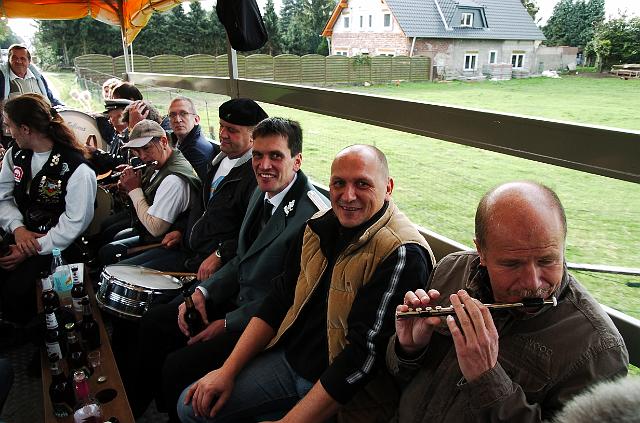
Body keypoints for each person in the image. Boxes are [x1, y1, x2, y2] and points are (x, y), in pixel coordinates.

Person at [178, 145, 436, 423]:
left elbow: (364, 355)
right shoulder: (317, 226)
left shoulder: (402, 252)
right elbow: (279, 300)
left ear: (388, 188)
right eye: (339, 183)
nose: (348, 196)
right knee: (190, 406)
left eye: (362, 184)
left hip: (348, 394)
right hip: (290, 360)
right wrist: (226, 372)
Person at [128, 117, 329, 420]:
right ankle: (130, 409)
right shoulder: (262, 192)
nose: (264, 165)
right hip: (236, 299)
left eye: (276, 156)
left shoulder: (311, 218)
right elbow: (243, 259)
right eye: (258, 155)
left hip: (263, 322)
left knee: (178, 366)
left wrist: (227, 323)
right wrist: (203, 291)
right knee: (155, 321)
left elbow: (290, 299)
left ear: (297, 161)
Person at [387, 181, 629, 422]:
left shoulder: (599, 350)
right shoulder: (452, 269)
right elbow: (398, 375)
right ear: (481, 251)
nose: (533, 283)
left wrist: (487, 379)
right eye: (512, 264)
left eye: (547, 260)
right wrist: (408, 350)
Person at [123, 98, 266, 279]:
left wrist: (221, 254)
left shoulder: (255, 177)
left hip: (213, 264)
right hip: (188, 247)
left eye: (232, 130)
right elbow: (203, 207)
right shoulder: (218, 161)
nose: (222, 134)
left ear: (253, 136)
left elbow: (253, 231)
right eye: (221, 126)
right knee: (126, 270)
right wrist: (182, 230)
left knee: (133, 275)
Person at [0, 93, 96, 324]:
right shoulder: (16, 154)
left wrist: (29, 249)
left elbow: (74, 224)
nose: (7, 132)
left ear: (25, 129)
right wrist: (18, 229)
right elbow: (3, 197)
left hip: (57, 247)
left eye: (9, 125)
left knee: (17, 289)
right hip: (20, 234)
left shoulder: (76, 168)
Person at [98, 119, 200, 265]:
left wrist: (134, 189)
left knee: (113, 259)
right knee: (108, 247)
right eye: (137, 151)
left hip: (172, 245)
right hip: (153, 236)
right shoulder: (162, 161)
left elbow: (155, 228)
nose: (142, 156)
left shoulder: (174, 180)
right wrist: (129, 188)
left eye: (146, 148)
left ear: (163, 142)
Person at [1, 44, 63, 147]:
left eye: (22, 58)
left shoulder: (38, 79)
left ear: (29, 61)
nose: (18, 61)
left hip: (40, 134)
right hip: (13, 137)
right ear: (9, 60)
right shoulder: (2, 80)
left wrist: (65, 108)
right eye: (14, 58)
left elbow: (50, 99)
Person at [167, 96, 217, 181]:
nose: (177, 120)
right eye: (173, 115)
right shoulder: (174, 139)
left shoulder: (196, 151)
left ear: (196, 120)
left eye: (183, 113)